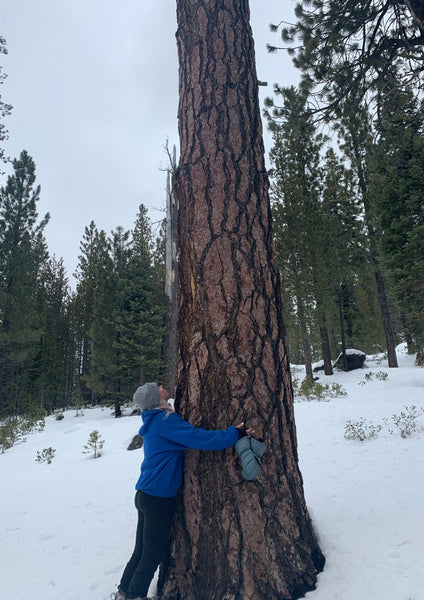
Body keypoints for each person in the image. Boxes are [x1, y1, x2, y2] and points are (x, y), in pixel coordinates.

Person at [111, 382, 252, 600]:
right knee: (151, 554)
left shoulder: (152, 421)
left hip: (145, 494)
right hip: (157, 497)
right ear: (156, 399)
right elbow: (200, 438)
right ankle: (134, 596)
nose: (160, 385)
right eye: (156, 387)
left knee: (141, 551)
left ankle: (123, 591)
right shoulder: (166, 422)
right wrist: (235, 433)